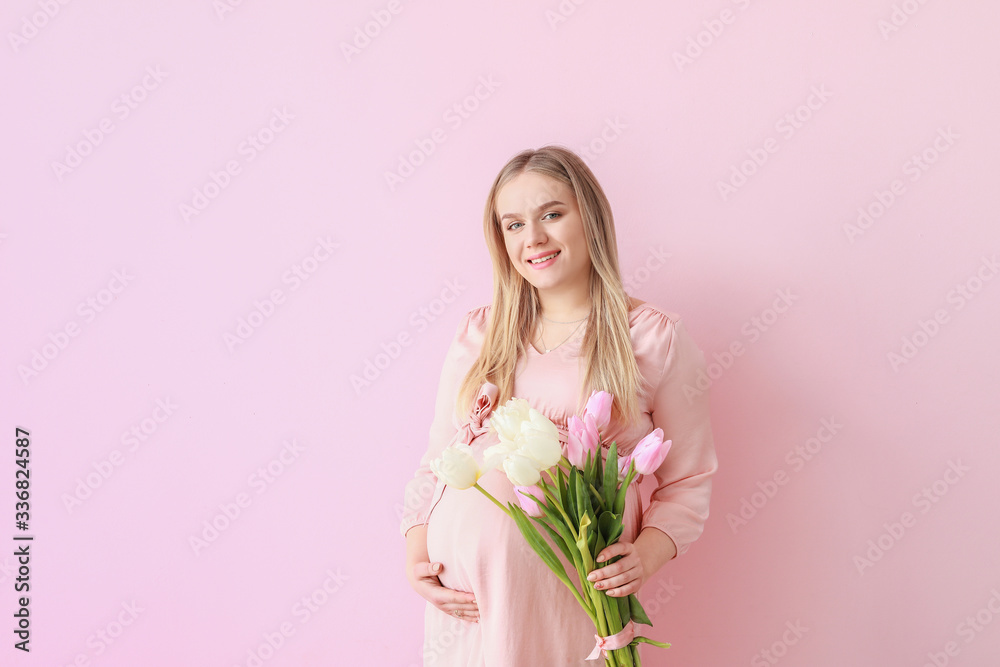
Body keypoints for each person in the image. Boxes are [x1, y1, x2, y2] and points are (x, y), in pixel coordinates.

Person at [401, 145, 718, 666]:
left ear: (589, 217)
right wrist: (416, 556)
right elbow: (436, 463)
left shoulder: (652, 338)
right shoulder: (480, 335)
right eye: (514, 225)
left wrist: (646, 553)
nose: (534, 239)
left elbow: (689, 479)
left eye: (551, 214)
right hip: (466, 609)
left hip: (564, 598)